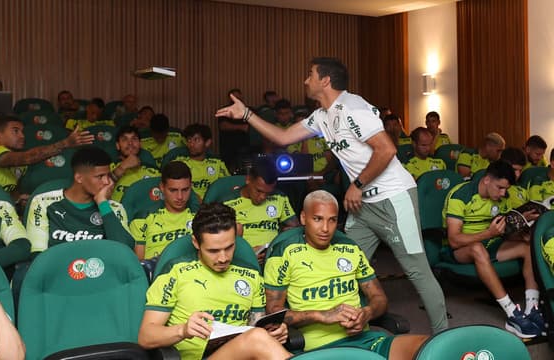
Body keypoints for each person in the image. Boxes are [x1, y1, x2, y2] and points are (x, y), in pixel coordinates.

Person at [216, 57, 448, 334]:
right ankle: (347, 323)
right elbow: (283, 137)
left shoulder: (354, 107)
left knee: (417, 270)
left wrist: (357, 184)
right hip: (363, 204)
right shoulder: (322, 116)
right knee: (343, 264)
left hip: (393, 197)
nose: (305, 80)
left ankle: (444, 337)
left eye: (310, 74)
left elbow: (386, 150)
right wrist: (246, 115)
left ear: (325, 80)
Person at [264, 190, 427, 357]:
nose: (326, 229)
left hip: (365, 340)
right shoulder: (284, 253)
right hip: (320, 349)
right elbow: (273, 312)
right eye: (318, 219)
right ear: (304, 218)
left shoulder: (350, 249)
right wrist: (321, 315)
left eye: (332, 220)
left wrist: (367, 313)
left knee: (427, 348)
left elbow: (379, 299)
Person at [138, 202, 291, 360]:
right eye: (213, 251)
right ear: (196, 243)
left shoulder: (251, 274)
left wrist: (275, 332)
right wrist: (183, 330)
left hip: (243, 353)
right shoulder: (175, 272)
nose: (223, 258)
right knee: (257, 338)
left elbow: (257, 326)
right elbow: (146, 336)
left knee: (258, 336)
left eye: (229, 247)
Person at [442, 160, 545, 337]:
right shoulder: (460, 194)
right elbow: (454, 240)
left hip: (490, 243)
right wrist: (488, 234)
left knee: (527, 246)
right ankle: (512, 312)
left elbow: (502, 229)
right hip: (461, 249)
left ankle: (531, 308)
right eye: (500, 188)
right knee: (477, 248)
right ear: (487, 180)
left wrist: (520, 228)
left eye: (506, 189)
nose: (504, 193)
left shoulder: (502, 197)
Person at [25, 146, 134, 254]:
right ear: (79, 178)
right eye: (100, 176)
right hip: (56, 268)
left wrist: (102, 203)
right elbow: (38, 253)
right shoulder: (43, 202)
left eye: (108, 175)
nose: (107, 182)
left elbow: (125, 251)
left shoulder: (113, 208)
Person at [0, 116, 94, 193]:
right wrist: (65, 143)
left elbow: (11, 187)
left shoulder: (20, 159)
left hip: (2, 205)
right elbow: (27, 157)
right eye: (15, 131)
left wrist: (18, 198)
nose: (22, 136)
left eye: (22, 132)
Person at [221, 161, 299, 251]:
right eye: (259, 191)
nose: (263, 197)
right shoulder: (228, 202)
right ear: (248, 179)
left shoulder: (279, 197)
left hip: (273, 255)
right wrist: (246, 254)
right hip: (242, 256)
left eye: (268, 193)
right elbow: (221, 240)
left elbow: (295, 228)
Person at [129, 161, 195, 260]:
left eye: (185, 190)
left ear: (191, 187)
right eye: (173, 190)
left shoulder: (200, 218)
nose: (180, 197)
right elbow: (139, 265)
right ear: (162, 188)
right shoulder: (142, 219)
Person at [173, 123, 230, 200]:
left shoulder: (217, 164)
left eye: (196, 140)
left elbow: (228, 187)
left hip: (213, 205)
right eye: (189, 140)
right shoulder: (179, 163)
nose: (191, 144)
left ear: (207, 142)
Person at [110, 125, 160, 202]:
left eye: (134, 139)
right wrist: (122, 167)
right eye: (124, 139)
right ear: (117, 145)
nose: (130, 143)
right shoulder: (109, 169)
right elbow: (99, 190)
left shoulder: (153, 171)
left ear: (140, 144)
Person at [218, 88, 250, 173]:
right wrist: (242, 127)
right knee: (227, 170)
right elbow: (223, 126)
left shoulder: (247, 110)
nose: (236, 99)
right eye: (233, 96)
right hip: (228, 146)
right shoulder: (225, 110)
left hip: (245, 145)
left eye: (238, 96)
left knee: (245, 170)